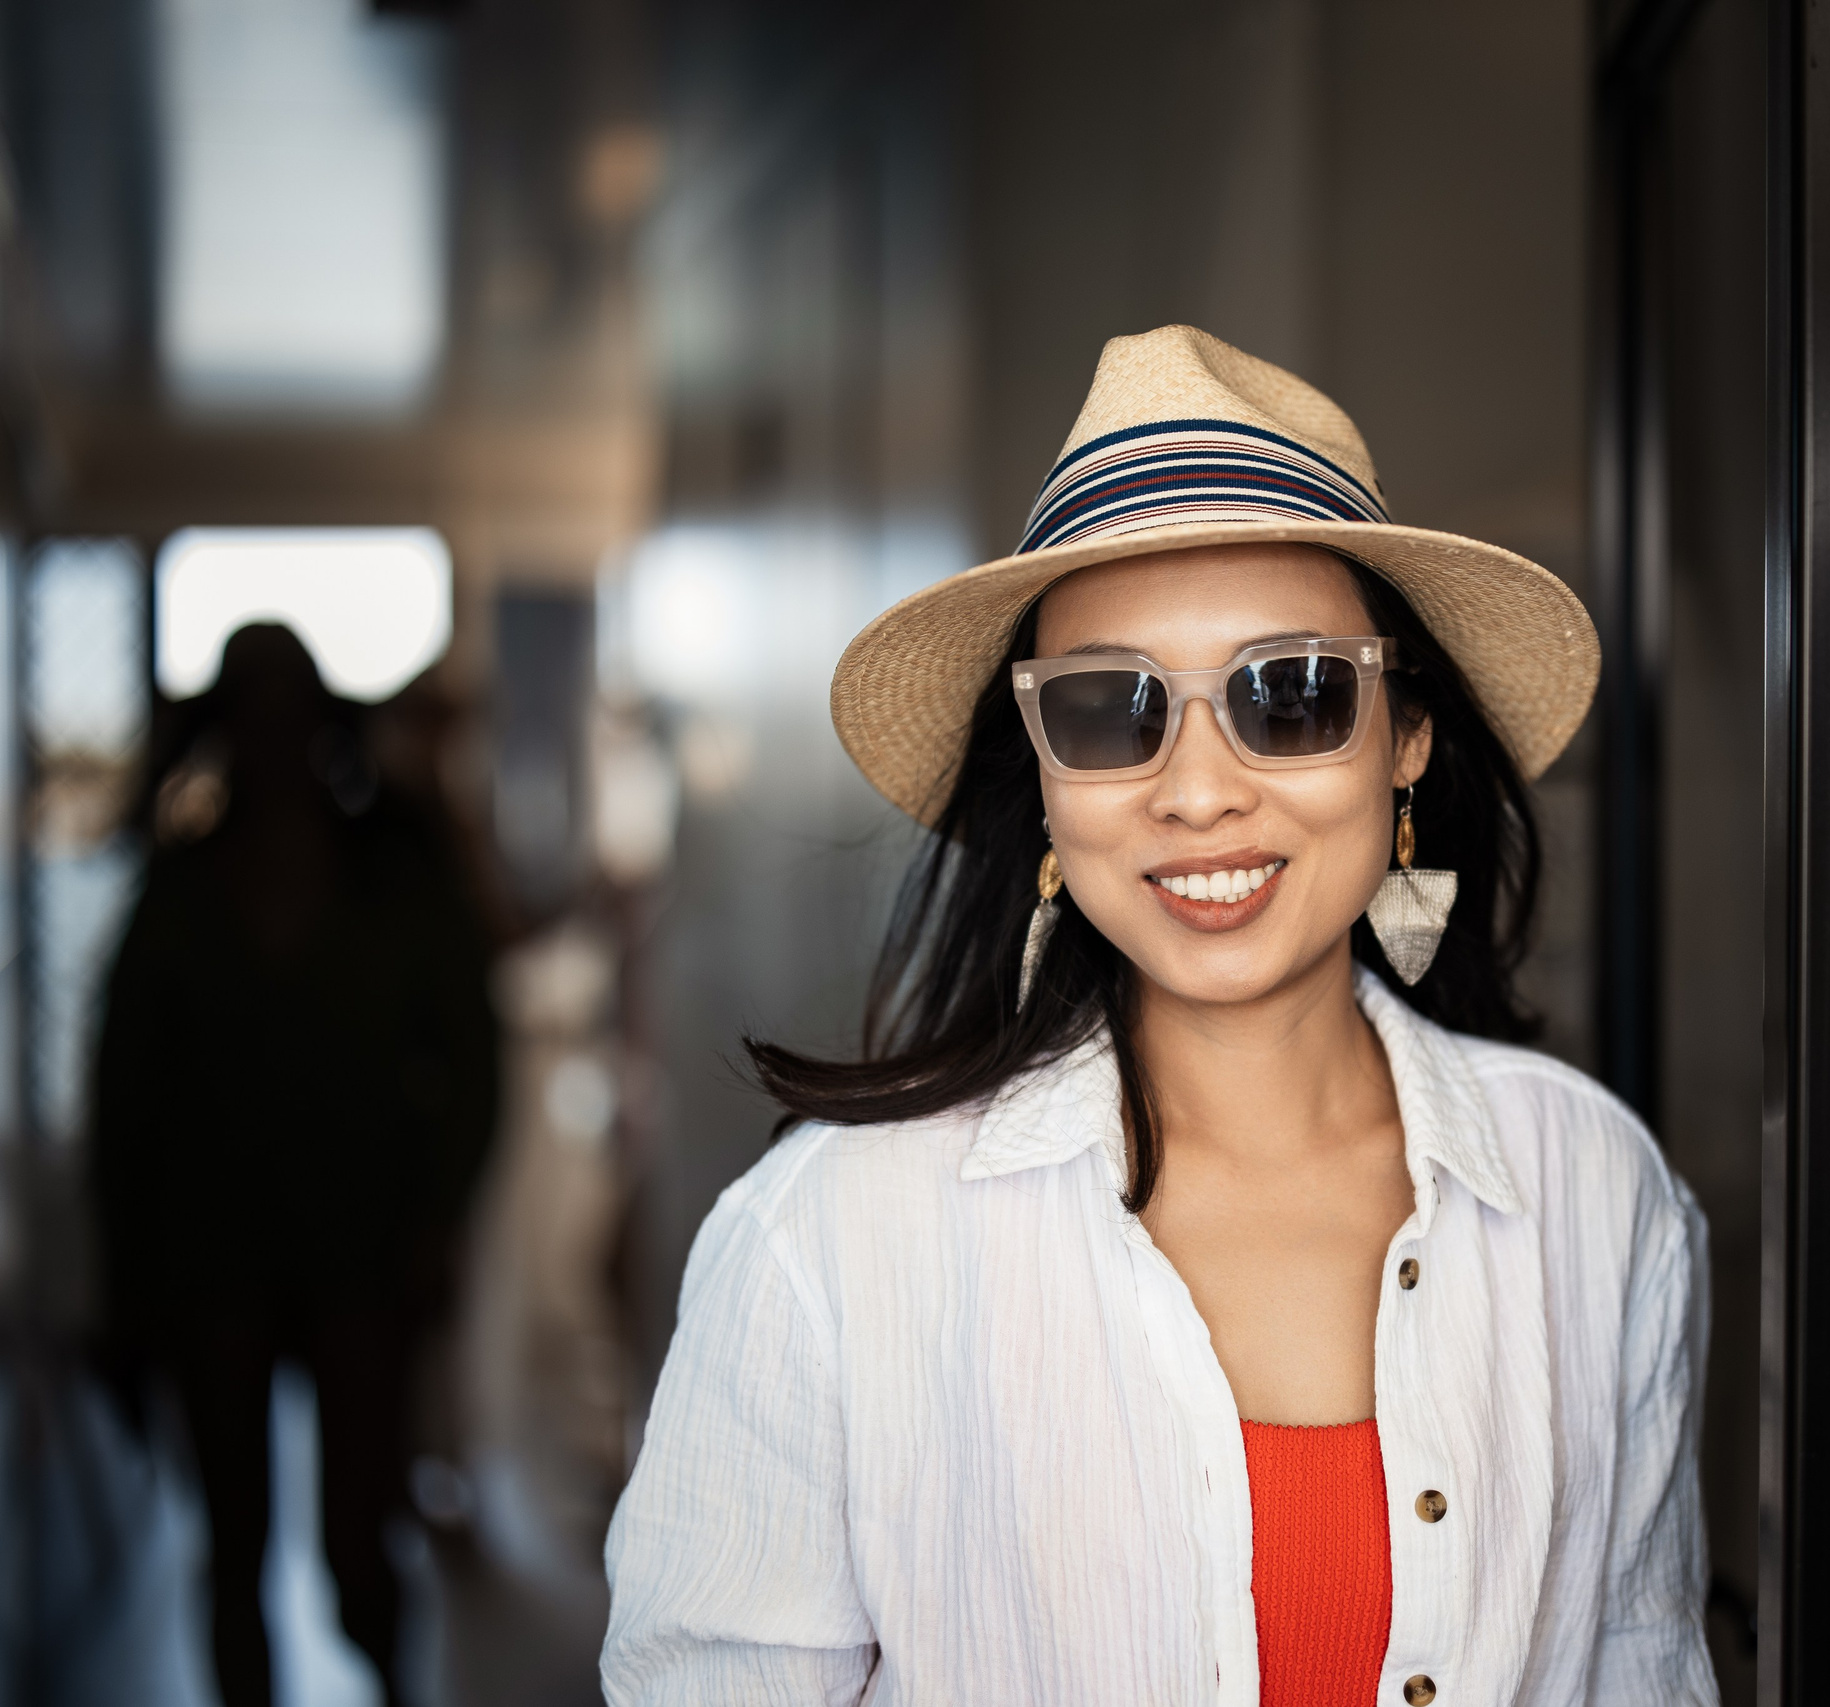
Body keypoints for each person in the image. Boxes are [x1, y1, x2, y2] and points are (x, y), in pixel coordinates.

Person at [602, 326, 1714, 1705]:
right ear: (1045, 778)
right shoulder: (826, 1242)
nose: (1197, 792)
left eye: (1292, 694)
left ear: (1409, 735)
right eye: (1108, 710)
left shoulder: (1594, 1193)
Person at [91, 622, 500, 1707]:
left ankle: (391, 1679)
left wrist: (438, 1218)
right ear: (221, 732)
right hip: (211, 1262)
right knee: (232, 1546)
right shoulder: (181, 894)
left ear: (324, 727)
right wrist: (124, 1285)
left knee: (361, 1544)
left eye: (290, 710)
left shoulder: (395, 880)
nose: (273, 737)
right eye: (251, 712)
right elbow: (121, 1103)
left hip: (364, 1251)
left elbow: (472, 1057)